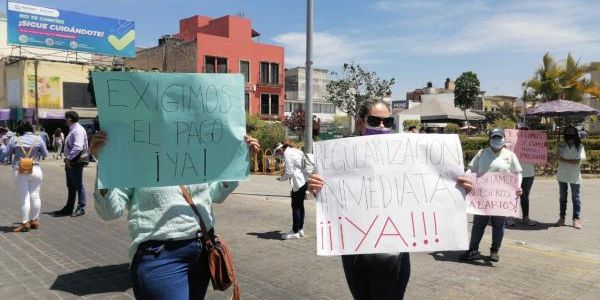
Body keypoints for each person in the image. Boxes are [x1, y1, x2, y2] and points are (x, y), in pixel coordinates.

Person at [307, 99, 473, 300]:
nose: (382, 126)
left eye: (388, 121)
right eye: (375, 121)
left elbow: (429, 187)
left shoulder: (406, 155)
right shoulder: (338, 158)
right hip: (356, 253)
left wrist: (458, 189)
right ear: (360, 122)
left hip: (394, 255)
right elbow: (332, 200)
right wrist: (316, 187)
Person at [90, 131, 259, 300]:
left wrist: (239, 161)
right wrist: (105, 166)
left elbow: (215, 194)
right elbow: (108, 211)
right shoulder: (133, 153)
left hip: (201, 252)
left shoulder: (196, 148)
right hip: (160, 257)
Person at [460, 128, 522, 263]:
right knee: (478, 224)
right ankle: (473, 250)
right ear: (489, 139)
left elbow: (517, 173)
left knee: (499, 224)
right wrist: (466, 178)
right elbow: (472, 168)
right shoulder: (481, 153)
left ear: (504, 139)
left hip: (501, 198)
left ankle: (495, 250)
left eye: (499, 138)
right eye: (494, 138)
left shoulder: (510, 155)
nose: (497, 140)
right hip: (482, 196)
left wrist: (518, 186)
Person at [1, 120, 48, 232]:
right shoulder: (38, 138)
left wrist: (2, 144)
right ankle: (35, 220)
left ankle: (25, 223)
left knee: (24, 197)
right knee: (35, 195)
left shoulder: (14, 139)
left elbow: (4, 155)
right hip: (36, 169)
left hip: (20, 170)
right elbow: (45, 154)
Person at [53, 111, 89, 217]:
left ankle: (81, 207)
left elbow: (78, 146)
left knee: (78, 185)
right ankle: (69, 207)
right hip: (72, 161)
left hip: (75, 161)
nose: (65, 121)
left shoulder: (78, 130)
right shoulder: (73, 129)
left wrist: (68, 158)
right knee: (71, 186)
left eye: (65, 119)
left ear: (69, 119)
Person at [274, 142, 311, 240]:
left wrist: (281, 179)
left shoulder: (287, 153)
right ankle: (300, 229)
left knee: (295, 207)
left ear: (281, 148)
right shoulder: (296, 150)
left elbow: (289, 172)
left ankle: (295, 232)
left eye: (278, 152)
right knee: (300, 205)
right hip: (304, 181)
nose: (279, 154)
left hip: (298, 183)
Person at [556, 125, 586, 229]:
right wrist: (557, 150)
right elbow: (557, 159)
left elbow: (577, 161)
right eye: (567, 131)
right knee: (562, 198)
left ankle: (576, 219)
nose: (569, 133)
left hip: (575, 176)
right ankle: (561, 218)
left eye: (571, 131)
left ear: (575, 133)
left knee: (576, 198)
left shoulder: (580, 146)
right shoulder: (561, 145)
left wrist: (563, 159)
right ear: (565, 133)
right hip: (562, 175)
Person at [518, 125, 536, 226]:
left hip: (529, 174)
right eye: (521, 131)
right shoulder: (511, 143)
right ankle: (510, 217)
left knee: (525, 196)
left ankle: (526, 217)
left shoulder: (534, 144)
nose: (524, 132)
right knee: (513, 196)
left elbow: (539, 157)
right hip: (515, 173)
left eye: (526, 130)